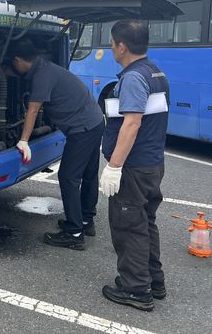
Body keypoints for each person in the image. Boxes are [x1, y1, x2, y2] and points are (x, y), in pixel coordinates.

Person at [99, 19, 168, 312]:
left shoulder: (134, 78)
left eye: (112, 44)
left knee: (129, 226)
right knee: (145, 222)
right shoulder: (156, 72)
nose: (112, 48)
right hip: (152, 163)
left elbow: (132, 122)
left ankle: (136, 289)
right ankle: (155, 281)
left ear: (122, 46)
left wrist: (114, 166)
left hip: (134, 167)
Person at [10, 39, 104, 251]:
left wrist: (23, 141)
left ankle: (74, 233)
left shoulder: (41, 76)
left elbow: (33, 110)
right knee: (89, 174)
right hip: (95, 120)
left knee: (68, 176)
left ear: (17, 60)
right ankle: (86, 221)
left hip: (83, 128)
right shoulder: (45, 67)